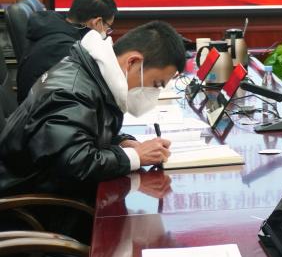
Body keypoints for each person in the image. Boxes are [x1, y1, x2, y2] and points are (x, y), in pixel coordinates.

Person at [0, 21, 186, 203]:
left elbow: (80, 131)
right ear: (132, 62)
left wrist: (121, 141)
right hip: (38, 205)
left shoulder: (91, 73)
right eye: (156, 84)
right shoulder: (70, 92)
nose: (154, 93)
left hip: (53, 189)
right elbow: (74, 163)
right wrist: (135, 157)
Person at [17, 0, 118, 102]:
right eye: (107, 27)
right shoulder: (65, 50)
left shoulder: (57, 28)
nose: (106, 33)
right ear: (97, 22)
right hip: (44, 111)